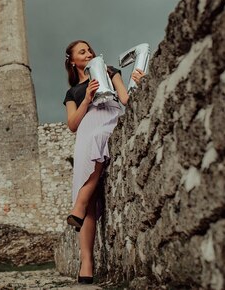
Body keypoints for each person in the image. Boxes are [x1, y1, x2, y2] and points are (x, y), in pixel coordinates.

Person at [63, 39, 145, 284]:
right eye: (82, 51)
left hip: (109, 118)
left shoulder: (109, 70)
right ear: (72, 60)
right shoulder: (72, 93)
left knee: (99, 138)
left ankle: (78, 204)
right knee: (89, 207)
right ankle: (86, 262)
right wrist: (86, 98)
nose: (88, 53)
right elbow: (72, 125)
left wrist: (139, 83)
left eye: (89, 50)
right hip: (86, 127)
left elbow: (126, 99)